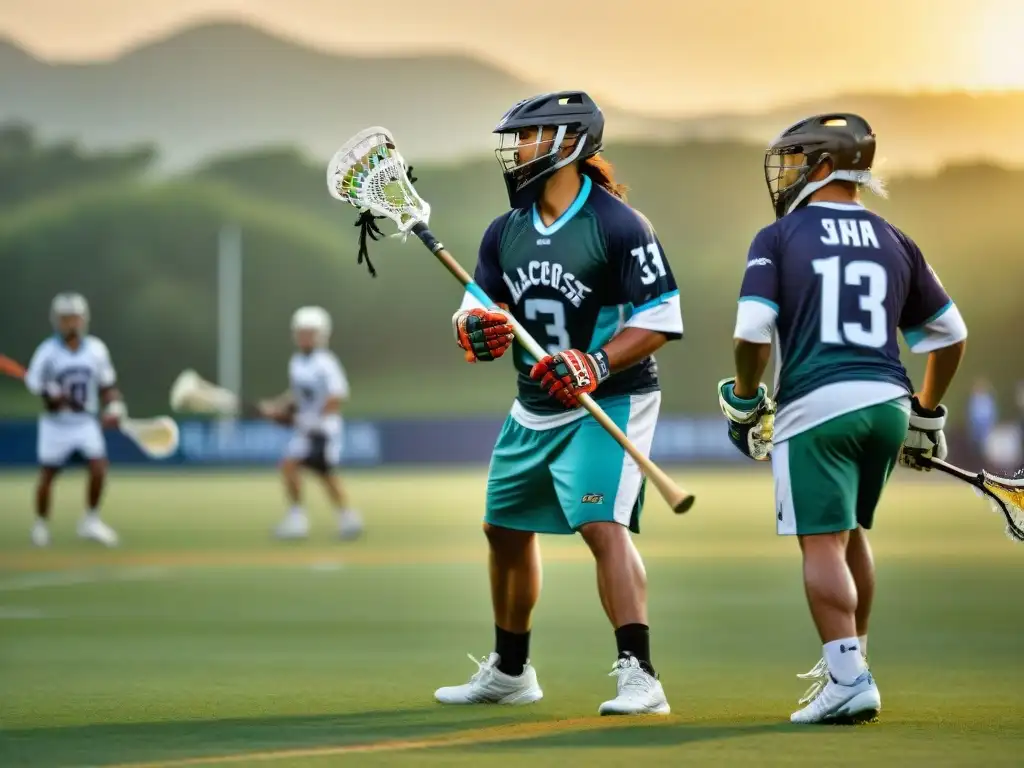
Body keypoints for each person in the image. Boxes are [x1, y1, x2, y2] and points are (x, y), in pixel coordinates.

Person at [433, 91, 683, 715]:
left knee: (602, 525)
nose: (516, 151)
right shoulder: (506, 230)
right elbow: (479, 306)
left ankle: (640, 674)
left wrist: (593, 362)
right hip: (532, 404)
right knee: (504, 529)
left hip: (613, 397)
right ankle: (511, 672)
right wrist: (473, 329)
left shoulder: (620, 225)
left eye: (528, 138)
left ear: (569, 143)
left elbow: (662, 317)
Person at [718, 113, 968, 723]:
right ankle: (853, 663)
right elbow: (951, 334)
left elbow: (752, 331)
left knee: (820, 539)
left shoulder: (777, 237)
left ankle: (849, 677)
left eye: (796, 159)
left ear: (823, 165)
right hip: (887, 400)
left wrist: (748, 399)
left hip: (817, 402)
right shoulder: (895, 238)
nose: (787, 174)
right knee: (851, 530)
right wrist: (927, 413)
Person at [23, 293, 126, 547]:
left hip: (84, 423)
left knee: (99, 467)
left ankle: (90, 521)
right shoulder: (47, 352)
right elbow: (35, 384)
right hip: (56, 425)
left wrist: (114, 404)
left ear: (84, 320)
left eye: (76, 318)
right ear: (57, 321)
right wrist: (52, 393)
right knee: (48, 474)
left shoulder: (96, 349)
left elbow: (107, 384)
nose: (72, 324)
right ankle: (41, 525)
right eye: (66, 319)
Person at [259, 306, 362, 540]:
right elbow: (297, 396)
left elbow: (336, 396)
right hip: (307, 429)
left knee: (304, 469)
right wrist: (276, 406)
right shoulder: (296, 362)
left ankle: (308, 521)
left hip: (323, 430)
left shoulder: (326, 362)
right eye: (301, 332)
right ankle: (340, 519)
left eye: (309, 332)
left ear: (321, 334)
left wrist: (314, 420)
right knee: (308, 470)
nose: (304, 336)